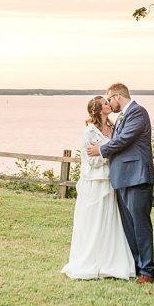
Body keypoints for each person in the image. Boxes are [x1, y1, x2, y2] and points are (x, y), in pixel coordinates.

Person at [87, 82, 154, 284]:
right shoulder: (122, 117)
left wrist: (100, 150)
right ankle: (135, 266)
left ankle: (147, 271)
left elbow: (124, 140)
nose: (108, 104)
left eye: (109, 100)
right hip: (122, 178)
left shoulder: (138, 113)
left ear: (118, 97)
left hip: (137, 177)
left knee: (140, 225)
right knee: (129, 227)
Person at [61, 95, 135, 280]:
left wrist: (106, 151)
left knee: (110, 221)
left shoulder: (112, 127)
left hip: (110, 181)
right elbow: (91, 161)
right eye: (105, 103)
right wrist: (108, 153)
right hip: (94, 183)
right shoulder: (89, 132)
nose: (109, 104)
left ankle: (111, 260)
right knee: (94, 222)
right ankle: (91, 261)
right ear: (98, 109)